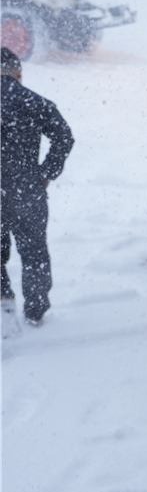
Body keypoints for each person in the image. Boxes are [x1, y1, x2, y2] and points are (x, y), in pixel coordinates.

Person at [1, 46, 74, 327]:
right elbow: (64, 138)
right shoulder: (34, 102)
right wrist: (46, 173)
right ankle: (36, 313)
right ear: (18, 73)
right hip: (27, 190)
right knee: (34, 254)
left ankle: (3, 300)